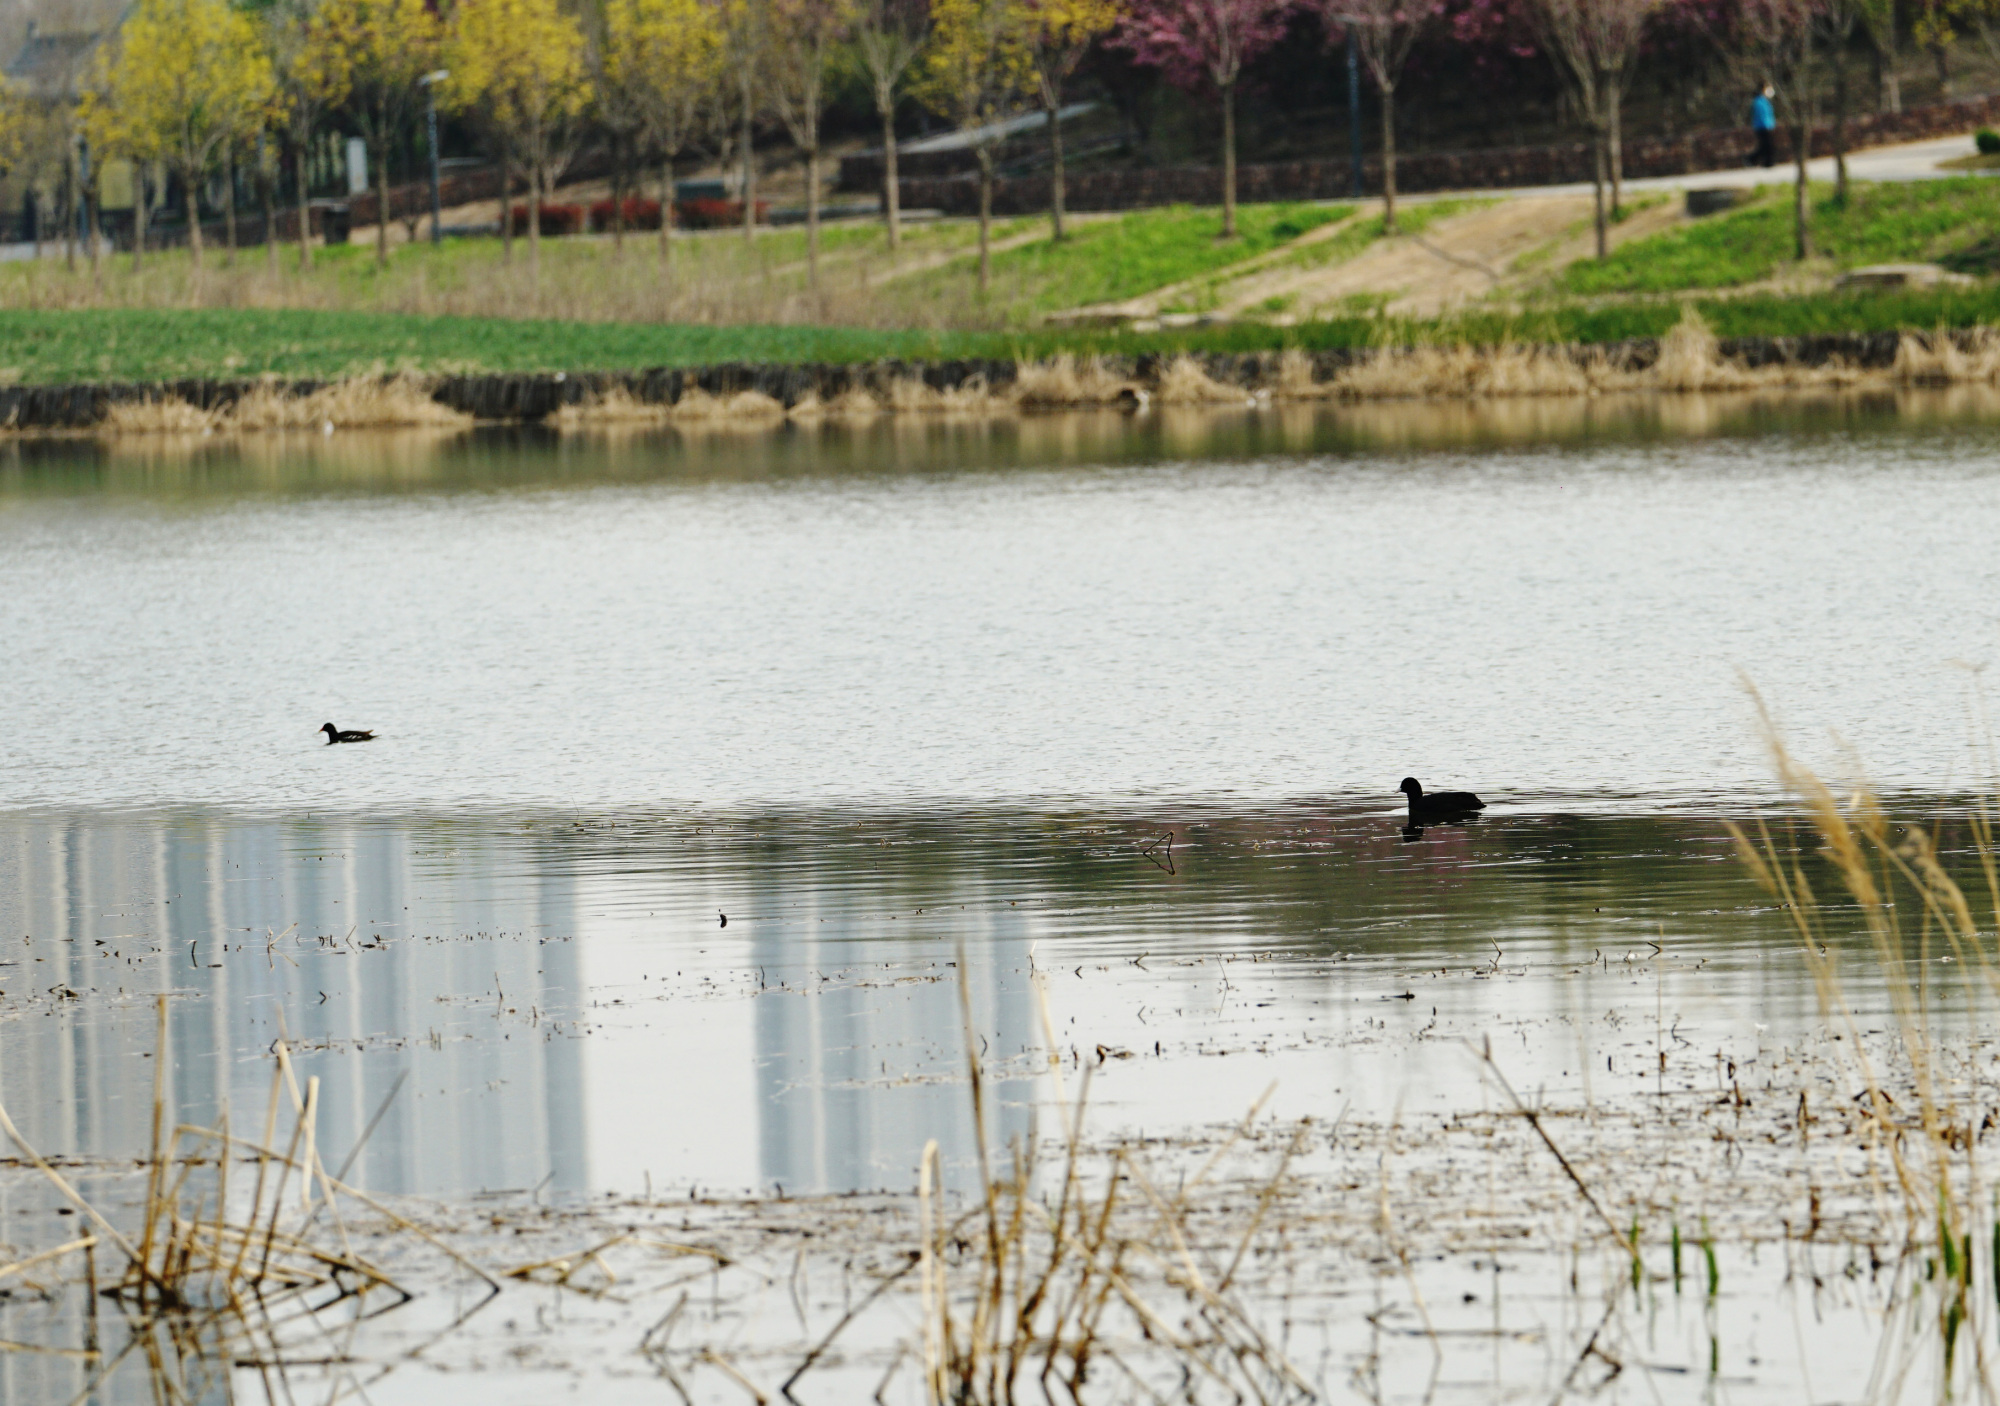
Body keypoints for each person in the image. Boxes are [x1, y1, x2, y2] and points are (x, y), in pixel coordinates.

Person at [1751, 85, 1777, 168]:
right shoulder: (1759, 101)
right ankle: (1765, 162)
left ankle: (1767, 162)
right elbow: (1762, 115)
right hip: (1762, 127)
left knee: (1767, 145)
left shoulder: (1765, 101)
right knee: (1766, 145)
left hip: (1767, 126)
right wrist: (1767, 125)